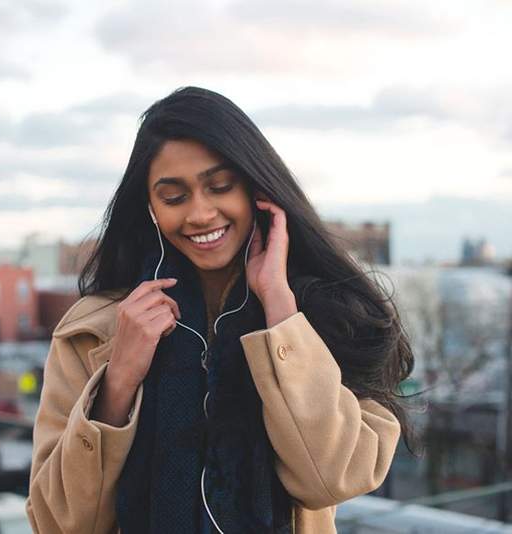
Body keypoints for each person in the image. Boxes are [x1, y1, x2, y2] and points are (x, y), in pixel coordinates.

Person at [26, 86, 415, 534]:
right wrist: (117, 384)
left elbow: (333, 477)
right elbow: (57, 524)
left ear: (257, 187)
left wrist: (281, 313)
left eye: (220, 186)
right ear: (149, 207)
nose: (200, 213)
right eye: (174, 197)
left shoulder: (326, 314)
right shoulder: (91, 331)